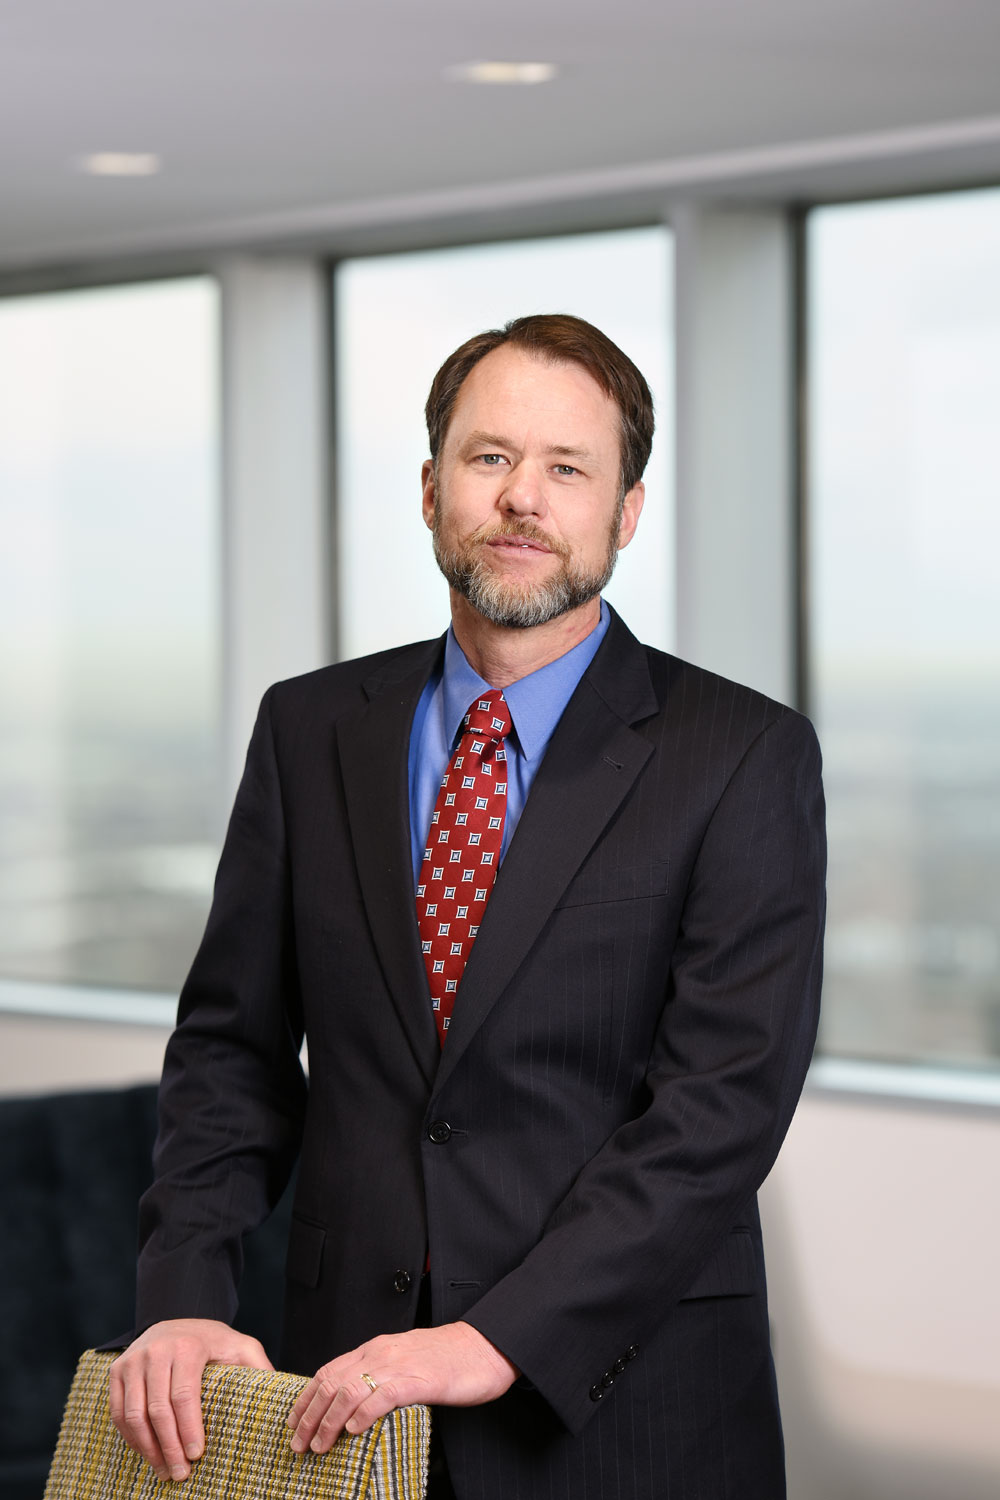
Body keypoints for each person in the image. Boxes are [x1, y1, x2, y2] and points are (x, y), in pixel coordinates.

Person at [109, 314, 825, 1500]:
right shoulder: (309, 729)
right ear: (431, 488)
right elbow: (232, 1050)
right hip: (344, 1392)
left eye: (567, 468)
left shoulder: (741, 754)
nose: (521, 498)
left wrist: (497, 1338)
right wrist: (184, 1295)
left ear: (626, 511)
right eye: (489, 457)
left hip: (628, 1409)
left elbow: (719, 1111)